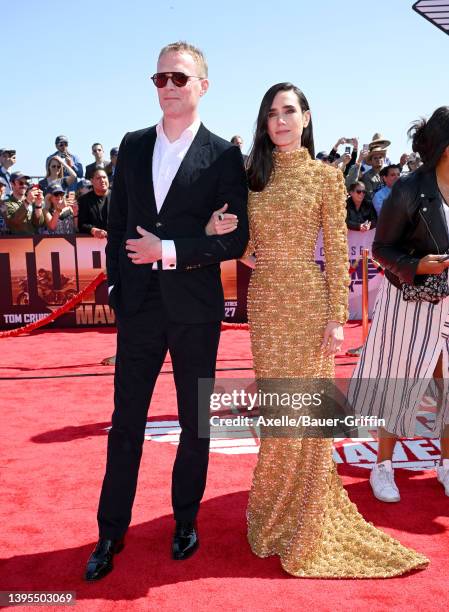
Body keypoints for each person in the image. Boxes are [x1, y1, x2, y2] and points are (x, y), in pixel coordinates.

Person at [239, 82, 427, 577]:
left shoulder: (326, 176)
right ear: (264, 122)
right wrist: (239, 249)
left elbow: (339, 252)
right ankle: (274, 511)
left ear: (306, 117)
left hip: (308, 298)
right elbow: (235, 234)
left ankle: (304, 514)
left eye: (288, 112)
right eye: (271, 113)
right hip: (266, 301)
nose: (279, 121)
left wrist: (335, 319)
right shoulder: (251, 177)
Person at [84, 41, 248, 582]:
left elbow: (234, 238)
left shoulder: (224, 156)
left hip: (195, 308)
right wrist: (118, 290)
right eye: (160, 79)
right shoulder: (130, 147)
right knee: (124, 423)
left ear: (203, 85)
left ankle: (185, 520)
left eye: (180, 78)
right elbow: (120, 224)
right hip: (139, 309)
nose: (169, 87)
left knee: (193, 422)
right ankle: (110, 532)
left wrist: (171, 250)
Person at [350, 106, 449, 504]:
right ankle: (383, 465)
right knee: (400, 382)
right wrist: (417, 265)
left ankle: (445, 462)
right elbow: (381, 249)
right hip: (412, 301)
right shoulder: (409, 189)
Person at [77, 168, 111, 237]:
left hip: (117, 242)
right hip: (93, 244)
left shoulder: (119, 197)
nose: (102, 180)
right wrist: (93, 230)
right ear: (92, 181)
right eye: (98, 178)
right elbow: (81, 224)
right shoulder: (83, 200)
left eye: (104, 177)